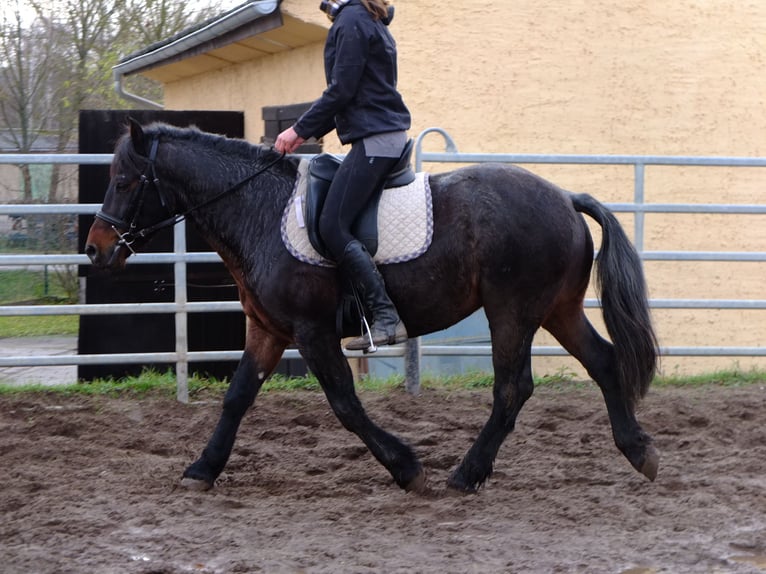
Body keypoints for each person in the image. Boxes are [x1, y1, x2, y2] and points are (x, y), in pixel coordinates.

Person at [275, 0, 410, 352]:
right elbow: (350, 94)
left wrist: (298, 131)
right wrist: (306, 130)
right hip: (382, 135)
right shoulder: (369, 17)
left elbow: (341, 90)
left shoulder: (351, 20)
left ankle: (384, 317)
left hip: (376, 139)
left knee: (332, 225)